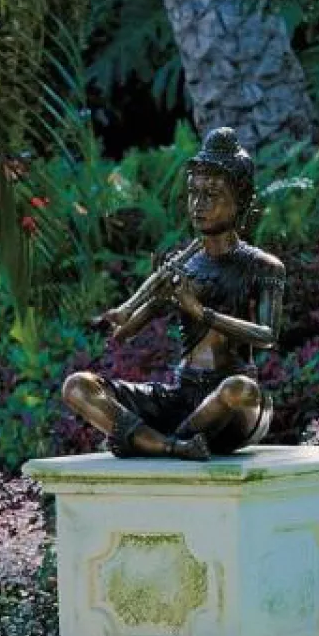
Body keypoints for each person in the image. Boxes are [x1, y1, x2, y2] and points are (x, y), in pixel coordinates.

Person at [61, 127, 284, 460]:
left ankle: (152, 442)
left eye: (212, 195)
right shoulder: (186, 262)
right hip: (182, 396)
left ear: (240, 200)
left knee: (241, 391)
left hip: (228, 402)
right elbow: (123, 334)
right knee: (78, 386)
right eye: (194, 193)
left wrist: (201, 312)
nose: (198, 204)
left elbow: (267, 336)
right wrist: (139, 307)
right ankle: (174, 445)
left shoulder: (263, 266)